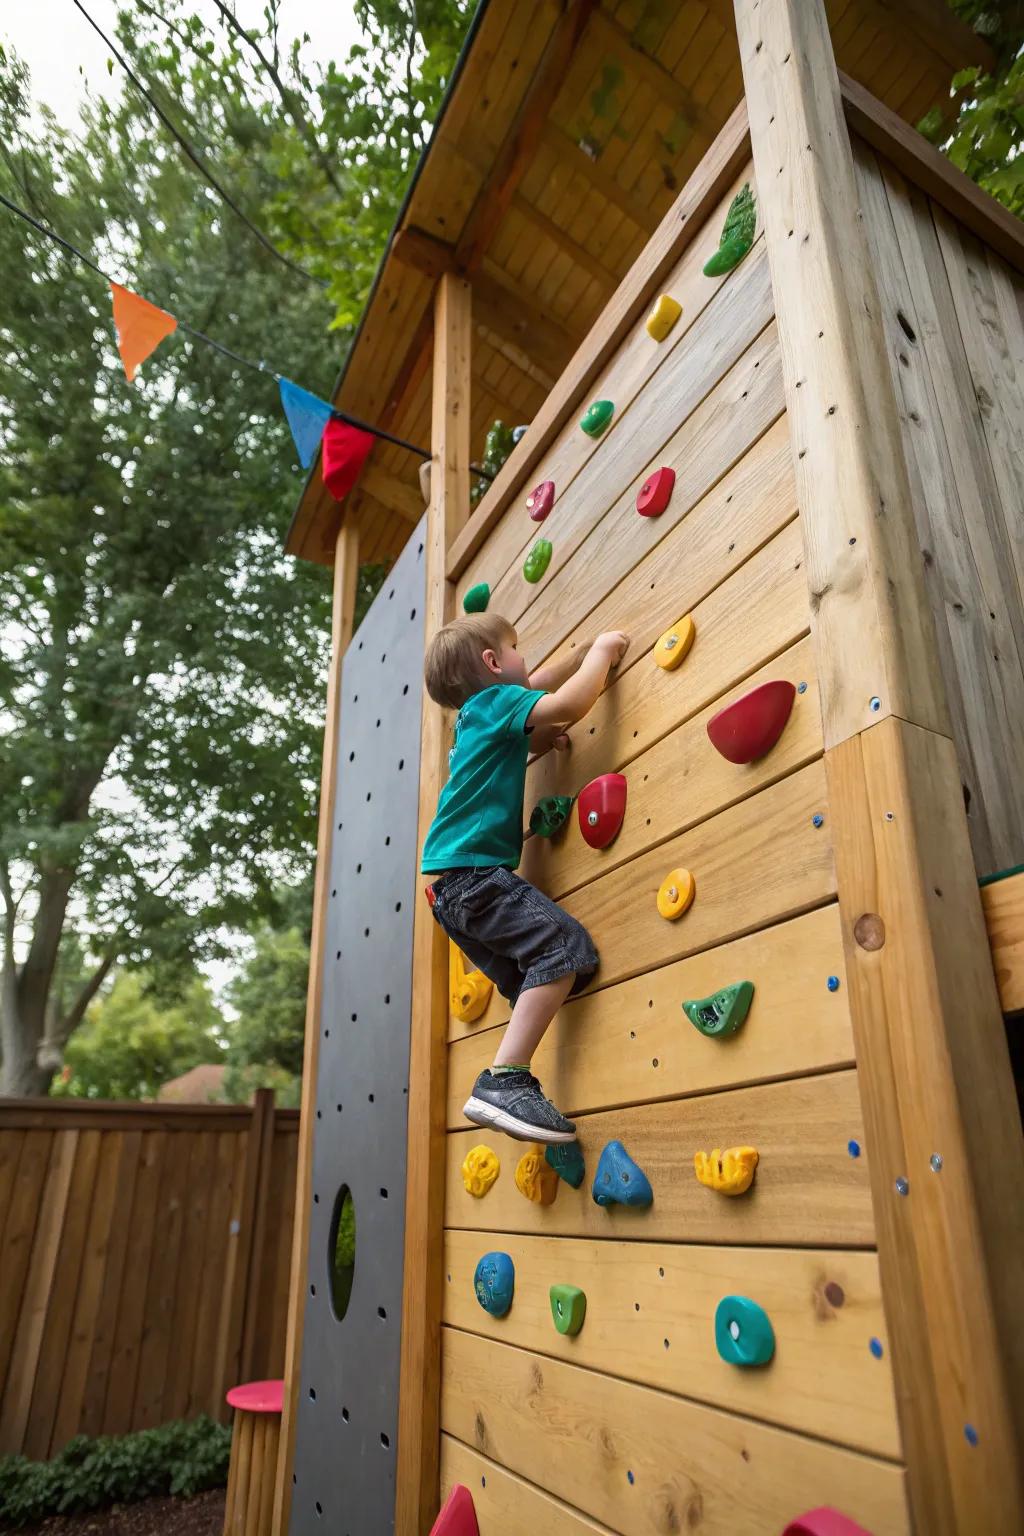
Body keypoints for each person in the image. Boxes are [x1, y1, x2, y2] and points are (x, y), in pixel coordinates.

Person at [421, 611, 630, 1143]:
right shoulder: (496, 703)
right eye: (516, 648)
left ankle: (508, 1078)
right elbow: (563, 702)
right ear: (493, 663)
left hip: (448, 892)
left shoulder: (475, 718)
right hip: (475, 876)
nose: (525, 658)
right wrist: (601, 653)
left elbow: (533, 697)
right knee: (561, 949)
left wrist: (546, 729)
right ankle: (505, 1079)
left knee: (535, 979)